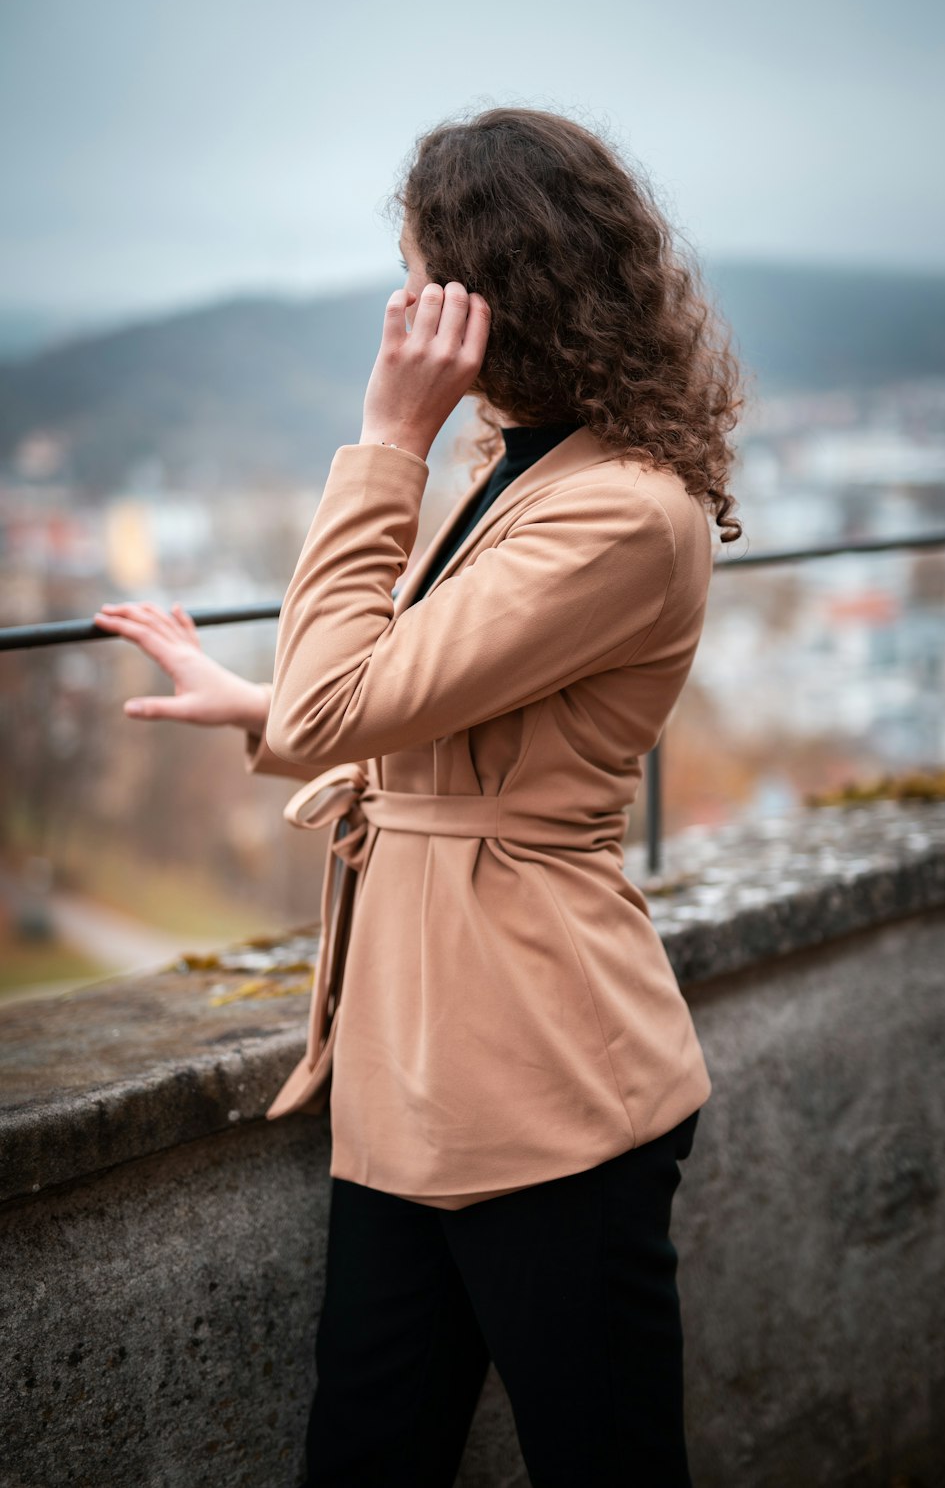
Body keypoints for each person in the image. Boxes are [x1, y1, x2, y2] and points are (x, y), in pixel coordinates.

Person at [93, 106, 744, 1488]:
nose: (404, 307)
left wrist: (386, 436)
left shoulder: (619, 507)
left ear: (491, 288)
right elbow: (416, 704)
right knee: (367, 1453)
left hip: (550, 1083)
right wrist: (260, 700)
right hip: (409, 1072)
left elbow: (360, 700)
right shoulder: (526, 461)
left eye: (421, 272)